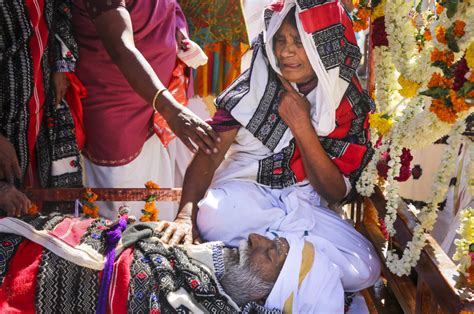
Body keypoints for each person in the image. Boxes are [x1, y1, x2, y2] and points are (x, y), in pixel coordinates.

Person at [157, 0, 380, 292]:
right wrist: (186, 216)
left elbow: (334, 192)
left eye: (299, 42)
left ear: (325, 47)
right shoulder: (255, 84)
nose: (286, 51)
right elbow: (209, 157)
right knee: (214, 215)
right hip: (249, 200)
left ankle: (262, 260)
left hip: (307, 209)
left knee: (364, 268)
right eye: (280, 40)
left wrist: (301, 126)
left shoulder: (347, 102)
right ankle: (285, 260)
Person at [0, 213, 367, 312]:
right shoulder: (214, 265)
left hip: (31, 281)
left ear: (270, 295)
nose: (254, 239)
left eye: (269, 252)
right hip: (36, 245)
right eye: (271, 241)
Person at [71, 0, 220, 221]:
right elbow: (121, 48)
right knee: (122, 224)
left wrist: (176, 31)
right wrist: (171, 110)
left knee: (158, 216)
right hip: (119, 112)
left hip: (157, 106)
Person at [0, 0, 84, 216]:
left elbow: (59, 9)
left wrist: (60, 66)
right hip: (6, 114)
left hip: (39, 98)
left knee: (33, 200)